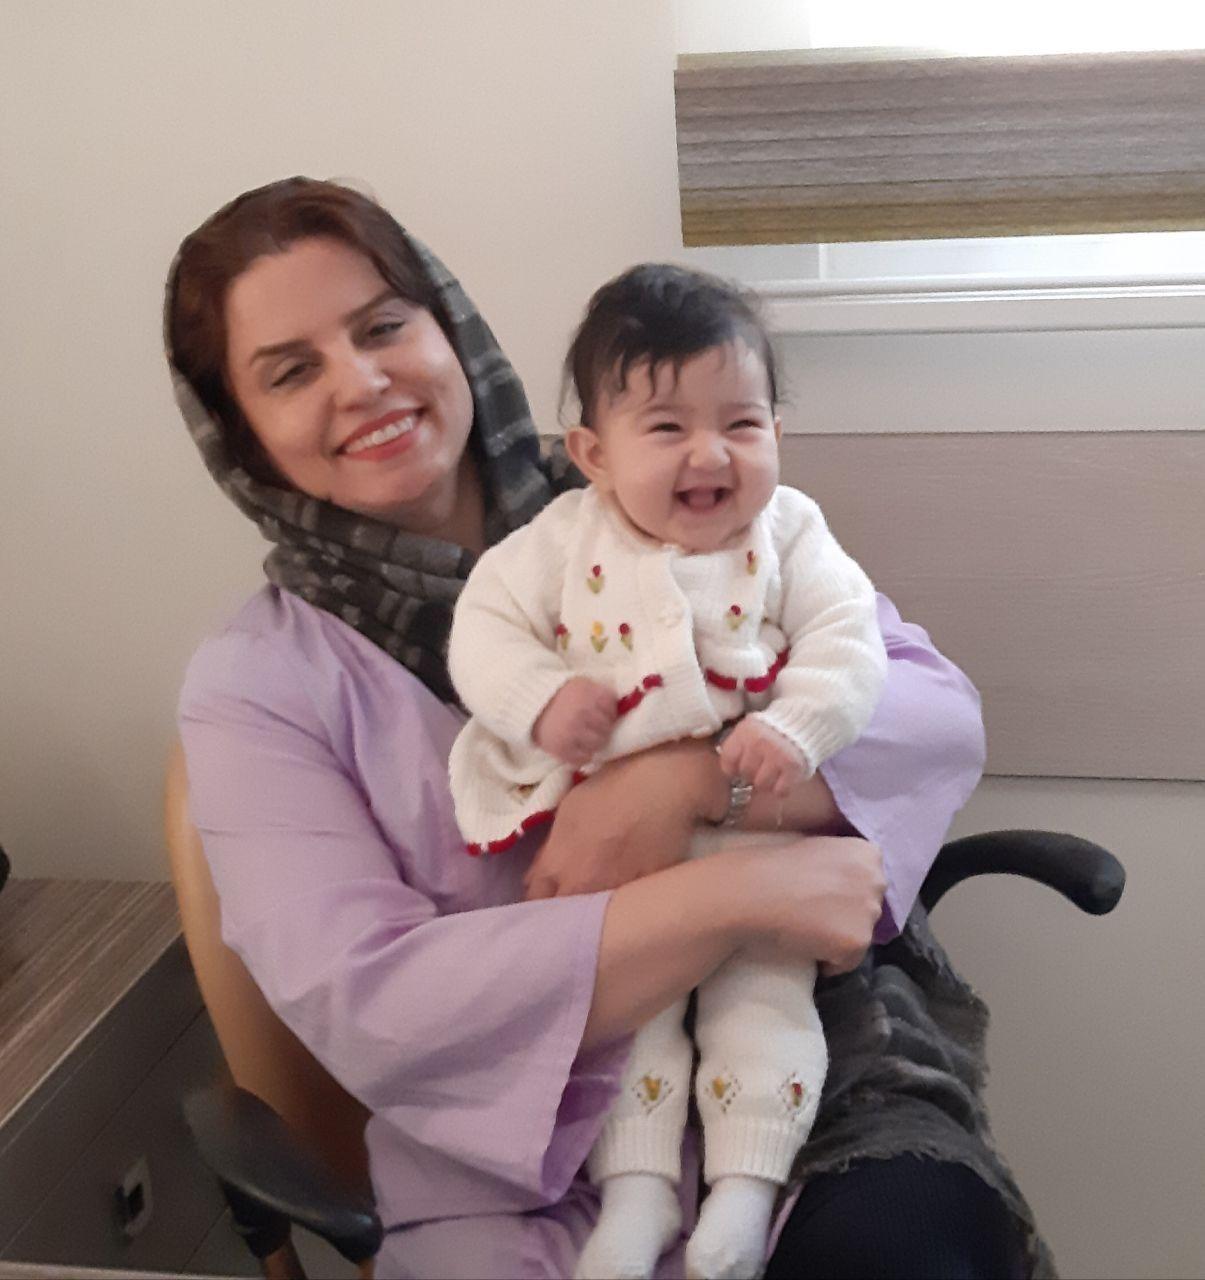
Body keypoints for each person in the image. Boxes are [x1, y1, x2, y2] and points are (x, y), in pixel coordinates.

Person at [167, 176, 1041, 1279]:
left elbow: (929, 714)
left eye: (383, 327)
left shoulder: (662, 490)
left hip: (821, 1088)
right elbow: (371, 1002)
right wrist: (741, 891)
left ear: (448, 331)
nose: (362, 381)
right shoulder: (255, 686)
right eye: (291, 371)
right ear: (243, 436)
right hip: (510, 1175)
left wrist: (684, 783)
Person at [445, 263, 888, 1279]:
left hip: (751, 842)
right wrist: (541, 700)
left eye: (741, 423)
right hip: (620, 870)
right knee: (628, 1027)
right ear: (593, 455)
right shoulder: (557, 542)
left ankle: (743, 1188)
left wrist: (797, 728)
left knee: (761, 1006)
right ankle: (638, 1191)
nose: (709, 453)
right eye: (666, 427)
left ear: (777, 432)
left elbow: (847, 640)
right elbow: (484, 630)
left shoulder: (790, 532)